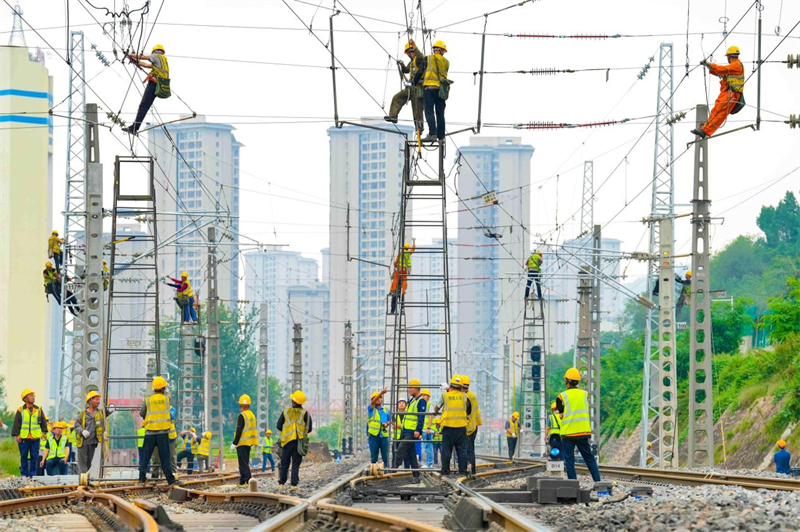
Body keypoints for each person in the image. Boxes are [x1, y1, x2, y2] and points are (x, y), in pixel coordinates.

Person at [556, 367, 601, 483]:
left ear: (567, 381)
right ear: (578, 382)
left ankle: (573, 485)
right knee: (589, 458)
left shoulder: (561, 396)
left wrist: (562, 413)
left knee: (569, 460)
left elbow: (560, 413)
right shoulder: (585, 394)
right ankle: (598, 482)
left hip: (568, 434)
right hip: (582, 432)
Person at [692, 46, 745, 139]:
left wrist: (709, 64)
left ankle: (705, 131)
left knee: (720, 113)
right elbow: (721, 72)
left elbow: (722, 69)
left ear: (729, 56)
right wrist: (708, 66)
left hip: (732, 94)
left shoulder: (736, 65)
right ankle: (705, 128)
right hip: (727, 92)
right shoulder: (734, 66)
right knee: (716, 110)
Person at [138, 376, 177, 485]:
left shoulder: (148, 400)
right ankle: (171, 481)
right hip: (163, 433)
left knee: (145, 458)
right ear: (163, 388)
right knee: (165, 459)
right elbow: (168, 398)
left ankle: (141, 480)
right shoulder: (167, 399)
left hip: (150, 433)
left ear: (154, 388)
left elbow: (142, 413)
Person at [124, 44, 170, 135]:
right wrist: (134, 60)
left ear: (154, 51)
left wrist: (130, 54)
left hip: (153, 84)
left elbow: (143, 58)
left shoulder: (156, 56)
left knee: (143, 106)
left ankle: (134, 127)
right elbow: (145, 65)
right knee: (145, 106)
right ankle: (134, 127)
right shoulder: (163, 60)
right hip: (159, 86)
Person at [384, 40, 425, 133]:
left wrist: (415, 46)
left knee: (417, 109)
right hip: (411, 88)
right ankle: (393, 116)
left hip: (418, 88)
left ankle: (419, 128)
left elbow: (421, 57)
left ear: (412, 51)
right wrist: (402, 64)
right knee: (397, 98)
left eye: (409, 53)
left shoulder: (418, 60)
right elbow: (406, 70)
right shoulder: (412, 62)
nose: (408, 55)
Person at [277, 390, 313, 493]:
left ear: (293, 401)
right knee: (296, 463)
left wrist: (286, 431)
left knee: (284, 463)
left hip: (287, 442)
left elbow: (278, 426)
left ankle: (282, 484)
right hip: (299, 443)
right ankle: (294, 485)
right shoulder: (305, 413)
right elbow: (309, 428)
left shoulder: (286, 411)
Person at [415, 40, 450, 142]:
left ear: (434, 49)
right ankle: (441, 136)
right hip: (441, 91)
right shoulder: (446, 62)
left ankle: (432, 134)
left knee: (429, 112)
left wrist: (414, 82)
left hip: (429, 89)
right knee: (440, 113)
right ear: (442, 50)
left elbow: (420, 71)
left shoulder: (428, 59)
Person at [434, 376, 469, 475]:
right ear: (461, 387)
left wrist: (436, 411)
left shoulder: (445, 396)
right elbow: (467, 409)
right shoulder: (464, 397)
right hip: (461, 428)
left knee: (446, 451)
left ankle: (445, 471)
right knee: (462, 451)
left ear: (450, 385)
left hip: (448, 427)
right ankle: (463, 471)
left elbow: (437, 408)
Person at [393, 379, 426, 480]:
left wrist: (418, 430)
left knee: (400, 449)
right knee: (412, 456)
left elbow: (421, 416)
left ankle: (393, 470)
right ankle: (416, 476)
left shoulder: (421, 401)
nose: (409, 390)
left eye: (410, 388)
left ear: (416, 388)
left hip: (412, 432)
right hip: (406, 431)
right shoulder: (412, 401)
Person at [12, 389, 48, 478]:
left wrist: (44, 432)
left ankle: (32, 474)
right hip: (23, 438)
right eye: (31, 396)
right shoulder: (20, 410)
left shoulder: (38, 409)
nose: (33, 398)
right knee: (23, 457)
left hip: (35, 438)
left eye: (33, 396)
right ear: (25, 399)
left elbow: (43, 421)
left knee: (34, 457)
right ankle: (24, 474)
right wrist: (17, 435)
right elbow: (17, 423)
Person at [74, 391, 108, 475]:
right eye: (96, 399)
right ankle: (82, 483)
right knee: (83, 466)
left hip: (93, 442)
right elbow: (76, 425)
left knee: (88, 464)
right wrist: (82, 431)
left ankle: (84, 481)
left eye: (99, 400)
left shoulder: (100, 413)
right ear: (90, 401)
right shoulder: (82, 414)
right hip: (83, 442)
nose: (98, 401)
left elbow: (106, 412)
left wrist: (111, 409)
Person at [231, 394, 258, 486]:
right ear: (249, 405)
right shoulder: (251, 415)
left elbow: (239, 429)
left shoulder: (242, 415)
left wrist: (235, 442)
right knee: (245, 462)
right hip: (249, 442)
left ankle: (247, 480)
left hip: (242, 442)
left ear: (240, 405)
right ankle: (244, 481)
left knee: (242, 463)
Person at [462, 375, 481, 475]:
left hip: (468, 428)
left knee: (467, 450)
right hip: (474, 426)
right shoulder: (471, 395)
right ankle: (472, 471)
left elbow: (465, 411)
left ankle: (469, 470)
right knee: (471, 449)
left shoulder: (466, 397)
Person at [390, 241, 416, 314]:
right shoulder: (408, 253)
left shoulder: (401, 253)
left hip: (399, 271)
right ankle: (401, 309)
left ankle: (392, 310)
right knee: (401, 294)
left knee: (395, 293)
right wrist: (414, 242)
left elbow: (396, 261)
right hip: (404, 271)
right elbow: (413, 249)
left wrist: (395, 265)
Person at [367, 389, 390, 469]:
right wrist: (381, 393)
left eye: (380, 397)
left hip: (383, 436)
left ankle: (386, 471)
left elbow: (390, 420)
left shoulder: (386, 410)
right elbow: (373, 403)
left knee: (385, 456)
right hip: (374, 436)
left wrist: (386, 424)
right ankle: (374, 471)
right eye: (377, 398)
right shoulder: (371, 409)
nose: (379, 399)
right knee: (374, 456)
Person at [392, 399, 407, 467]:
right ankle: (394, 469)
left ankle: (406, 470)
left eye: (403, 403)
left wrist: (399, 425)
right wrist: (403, 425)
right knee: (395, 454)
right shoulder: (394, 414)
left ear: (406, 405)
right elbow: (394, 425)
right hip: (396, 438)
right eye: (399, 403)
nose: (401, 404)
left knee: (406, 454)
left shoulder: (408, 414)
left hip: (405, 437)